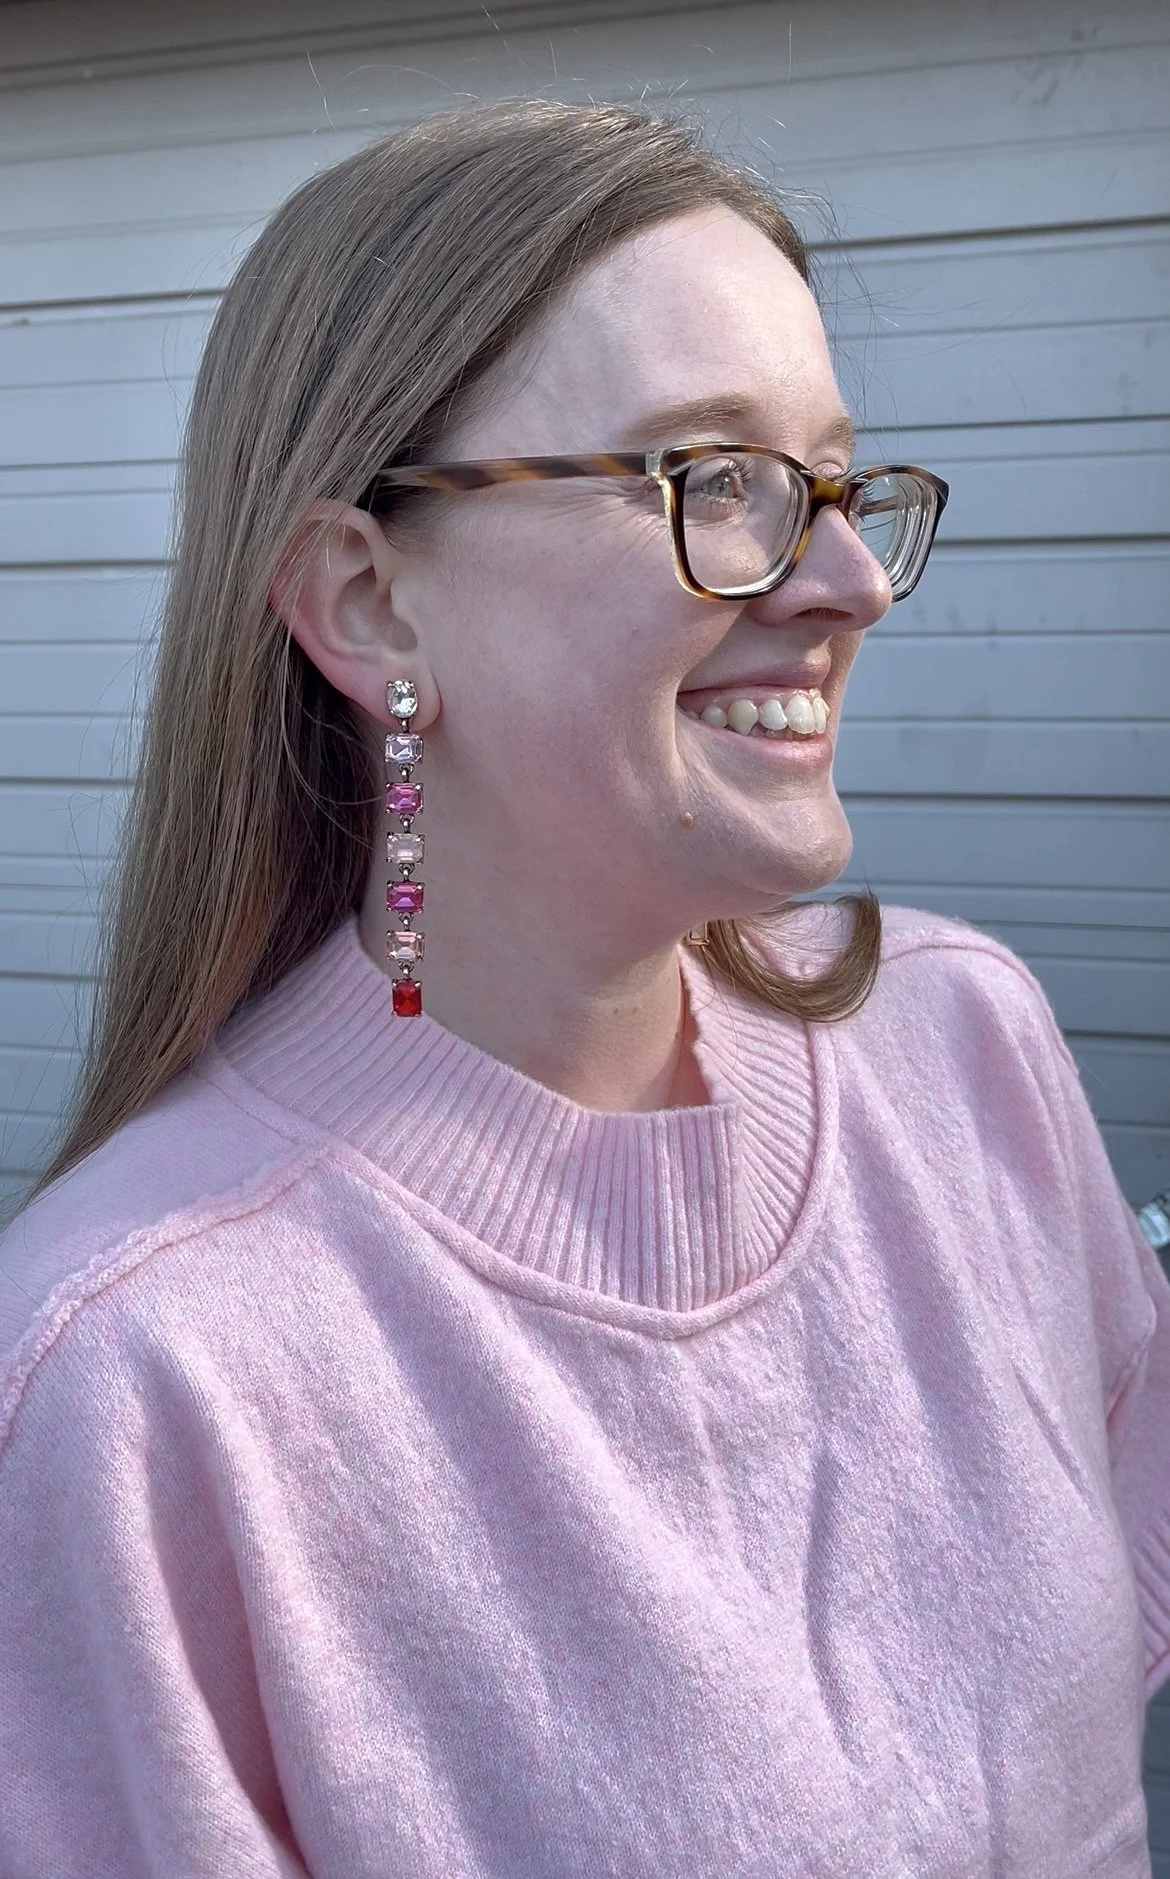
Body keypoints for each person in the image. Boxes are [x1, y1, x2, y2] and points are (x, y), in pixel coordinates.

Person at [0, 99, 1166, 1879]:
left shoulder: (964, 1046)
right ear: (371, 603)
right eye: (715, 482)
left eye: (838, 485)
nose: (846, 581)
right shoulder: (137, 1378)